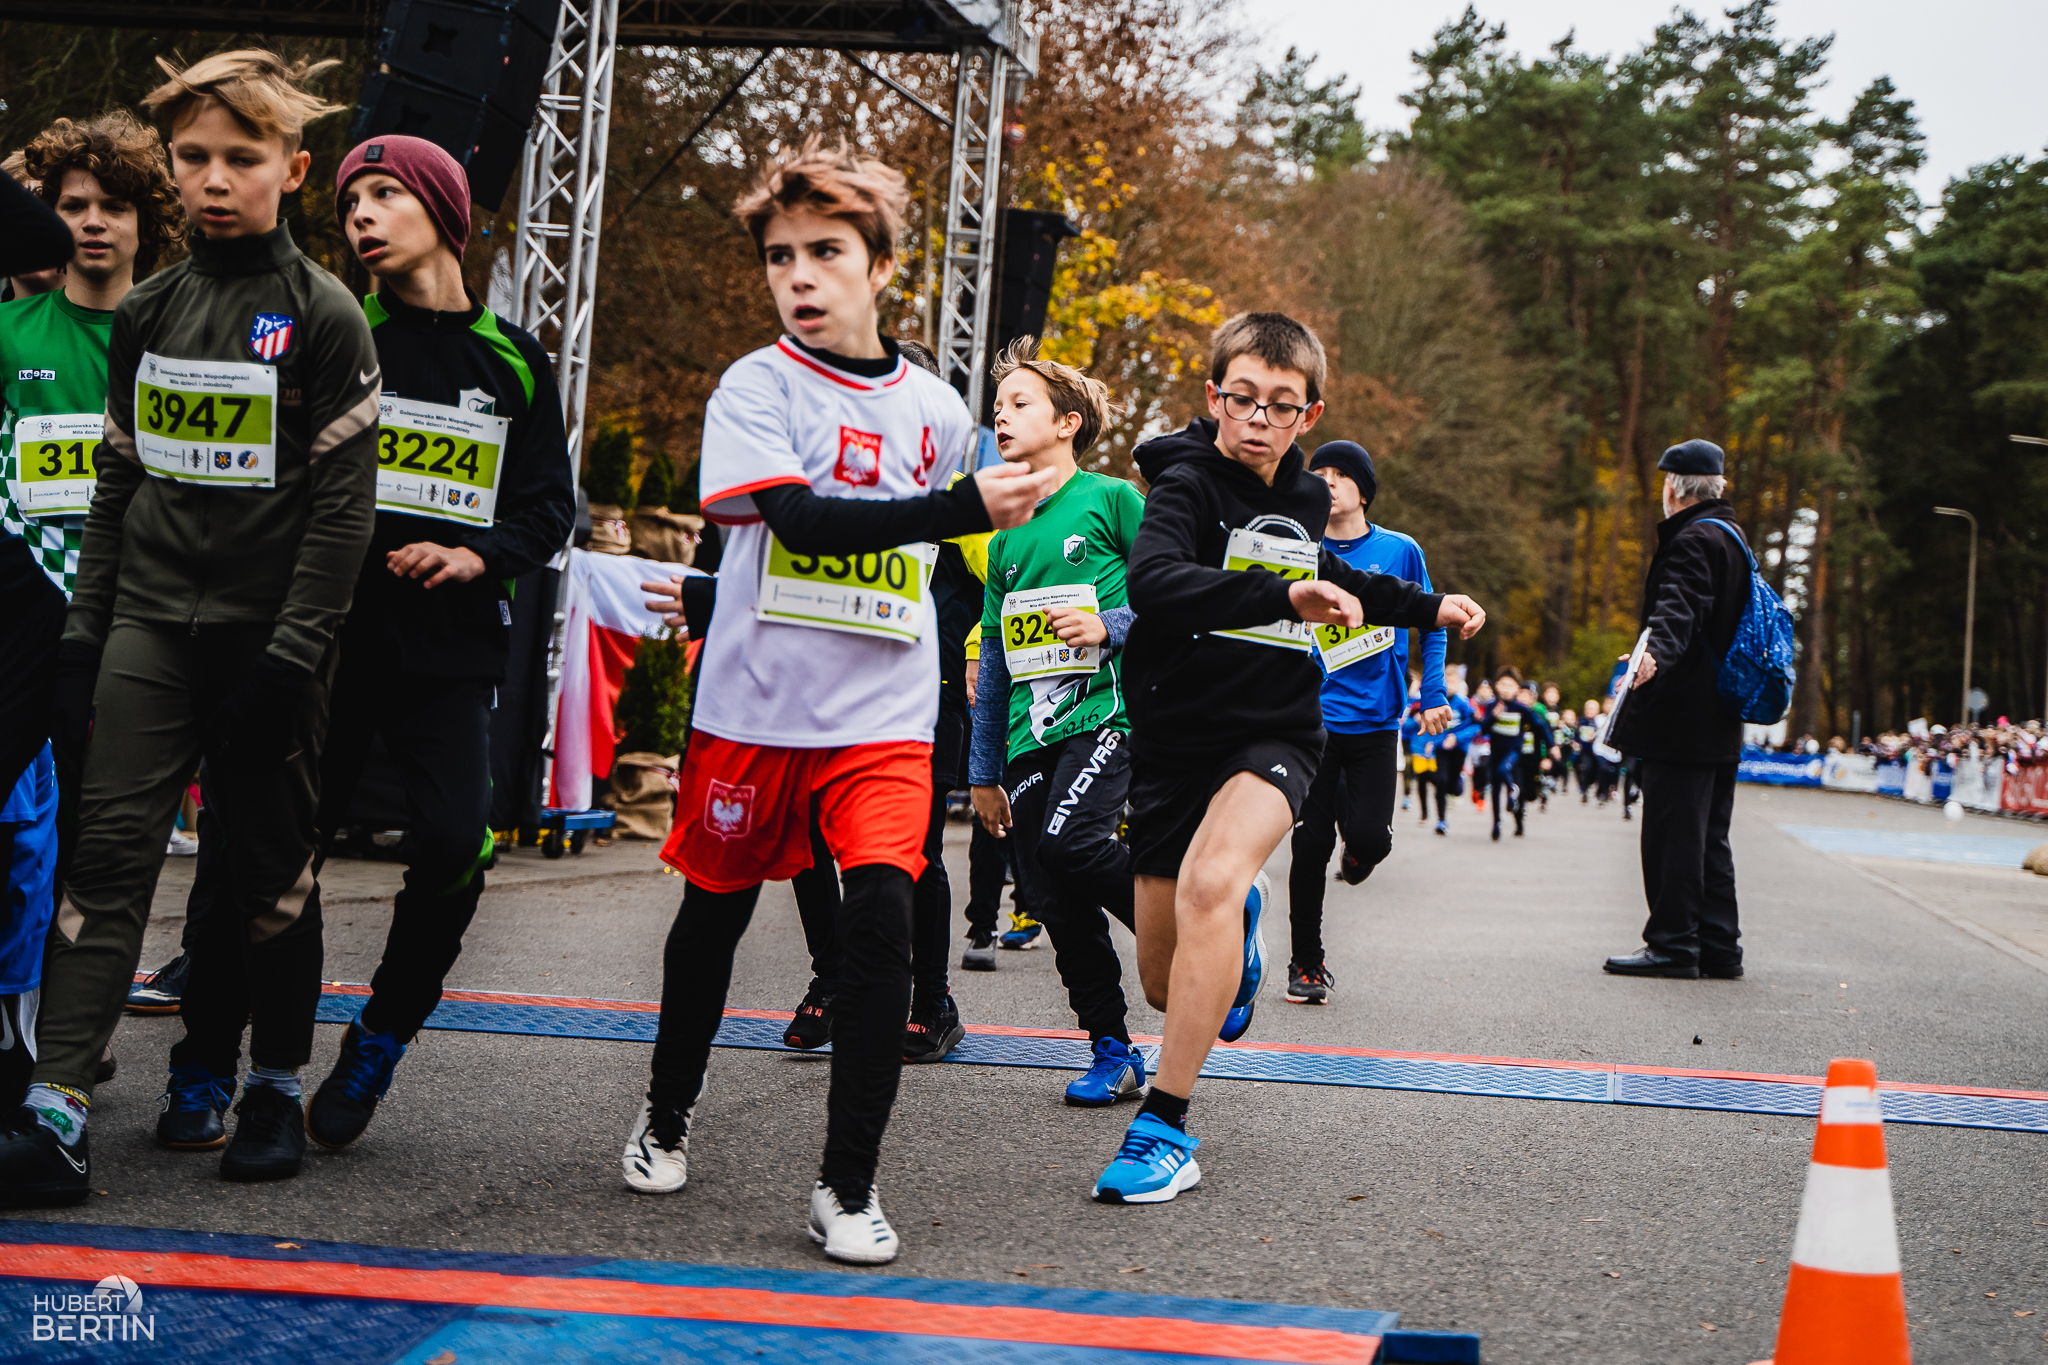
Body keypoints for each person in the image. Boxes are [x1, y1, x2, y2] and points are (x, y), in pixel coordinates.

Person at [622, 137, 1052, 1264]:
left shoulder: (938, 411)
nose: (800, 276)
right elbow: (801, 522)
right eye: (780, 257)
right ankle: (665, 1114)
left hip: (882, 721)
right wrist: (954, 507)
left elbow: (966, 554)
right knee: (711, 921)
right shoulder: (755, 386)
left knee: (879, 930)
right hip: (754, 711)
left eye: (826, 252)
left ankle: (846, 1186)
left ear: (880, 266)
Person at [0, 50, 378, 1207]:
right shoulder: (149, 311)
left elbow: (342, 515)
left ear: (292, 170)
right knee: (103, 868)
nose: (215, 179)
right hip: (148, 634)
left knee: (268, 877)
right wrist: (83, 641)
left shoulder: (326, 315)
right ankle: (56, 1111)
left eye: (241, 158)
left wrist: (294, 656)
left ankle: (272, 1087)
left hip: (269, 647)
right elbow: (118, 485)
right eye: (194, 157)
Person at [1095, 313, 1484, 1204]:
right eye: (1243, 399)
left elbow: (1341, 578)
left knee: (1208, 884)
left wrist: (1429, 606)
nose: (1259, 420)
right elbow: (1155, 582)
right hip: (1173, 741)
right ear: (1214, 398)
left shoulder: (1307, 497)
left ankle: (1164, 1128)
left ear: (1308, 415)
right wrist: (1281, 594)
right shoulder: (1184, 485)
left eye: (1280, 405)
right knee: (1161, 983)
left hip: (1275, 727)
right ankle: (1241, 930)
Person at [267, 135, 575, 1152]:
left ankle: (382, 1034)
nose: (360, 213)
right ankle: (258, 1066)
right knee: (282, 848)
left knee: (453, 846)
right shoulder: (334, 333)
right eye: (349, 199)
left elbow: (548, 509)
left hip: (449, 652)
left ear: (445, 213)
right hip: (326, 644)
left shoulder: (514, 359)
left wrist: (476, 554)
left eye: (384, 193)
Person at [968, 337, 1147, 1105]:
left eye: (1019, 403)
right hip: (1026, 737)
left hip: (1107, 712)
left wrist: (1110, 623)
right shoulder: (1003, 535)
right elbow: (997, 661)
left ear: (1068, 423)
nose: (1001, 416)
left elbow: (1175, 592)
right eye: (997, 406)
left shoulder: (1112, 500)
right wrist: (983, 773)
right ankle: (1113, 1048)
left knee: (1070, 842)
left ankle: (1201, 919)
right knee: (1052, 889)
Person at [1284, 440, 1448, 1007]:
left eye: (1341, 474)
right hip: (1311, 722)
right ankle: (1306, 963)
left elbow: (1432, 620)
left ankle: (1359, 853)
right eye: (1319, 473)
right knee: (1309, 847)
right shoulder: (1296, 548)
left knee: (1370, 840)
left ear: (1365, 489)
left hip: (1377, 724)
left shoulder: (1399, 551)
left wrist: (1433, 694)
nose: (1328, 482)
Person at [1603, 439, 1749, 980]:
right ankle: (1719, 946)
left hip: (1682, 718)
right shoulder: (1733, 537)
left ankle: (1672, 944)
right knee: (1709, 837)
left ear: (1673, 488)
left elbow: (1679, 607)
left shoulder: (1693, 540)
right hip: (1722, 714)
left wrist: (1654, 655)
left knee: (1673, 835)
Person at [1478, 669, 1551, 841]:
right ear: (1497, 686)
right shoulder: (1491, 706)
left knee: (1504, 770)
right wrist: (1493, 716)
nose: (1506, 689)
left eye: (1510, 685)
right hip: (1495, 753)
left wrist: (1552, 746)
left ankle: (1513, 791)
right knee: (1495, 789)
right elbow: (1483, 730)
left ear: (1517, 688)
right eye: (1503, 684)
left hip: (1514, 753)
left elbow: (1541, 726)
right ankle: (1496, 822)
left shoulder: (1520, 708)